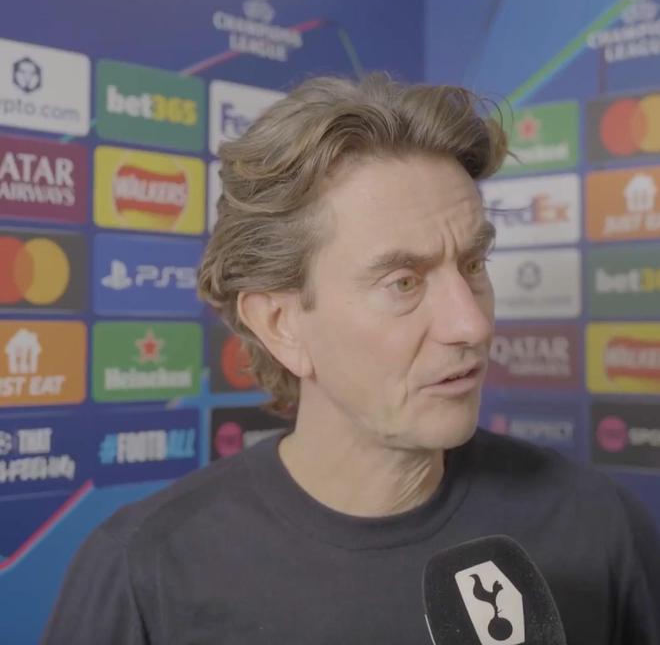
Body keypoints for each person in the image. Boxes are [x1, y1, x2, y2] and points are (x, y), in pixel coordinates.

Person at [42, 74, 660, 644]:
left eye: (473, 265)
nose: (471, 324)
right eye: (403, 282)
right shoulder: (143, 575)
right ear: (281, 325)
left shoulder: (597, 526)